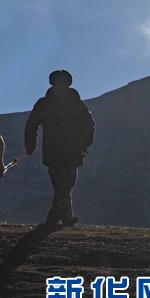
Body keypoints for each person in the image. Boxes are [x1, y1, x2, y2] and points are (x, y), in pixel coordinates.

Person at [24, 69, 95, 226]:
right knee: (62, 184)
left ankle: (53, 217)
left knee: (66, 184)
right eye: (58, 82)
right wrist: (30, 144)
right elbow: (31, 125)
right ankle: (67, 217)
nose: (60, 86)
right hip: (56, 151)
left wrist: (85, 142)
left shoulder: (73, 103)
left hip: (71, 151)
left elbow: (88, 124)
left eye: (62, 82)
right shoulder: (46, 103)